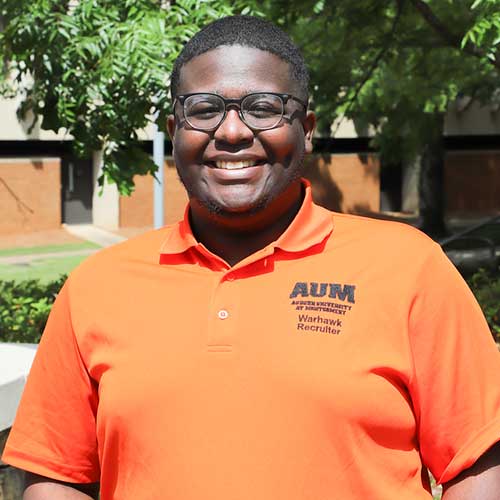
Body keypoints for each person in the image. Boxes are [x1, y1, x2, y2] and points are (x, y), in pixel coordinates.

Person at [2, 15, 500, 500]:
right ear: (176, 130)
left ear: (306, 129)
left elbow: (478, 459)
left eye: (264, 107)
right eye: (204, 109)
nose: (234, 131)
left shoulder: (409, 268)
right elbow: (55, 471)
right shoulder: (96, 287)